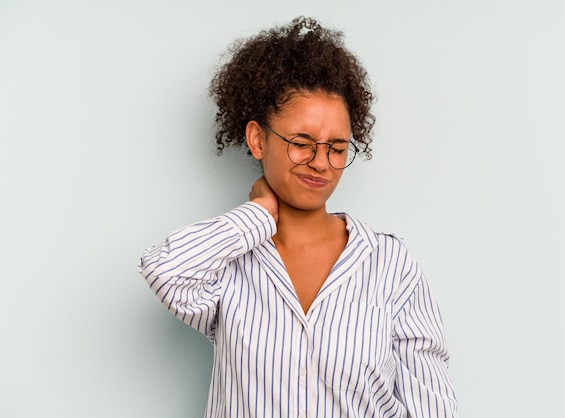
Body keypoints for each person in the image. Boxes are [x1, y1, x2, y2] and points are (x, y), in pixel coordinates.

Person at [139, 16, 458, 418]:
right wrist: (258, 215)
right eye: (301, 143)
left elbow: (431, 408)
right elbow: (166, 270)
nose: (320, 163)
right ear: (258, 139)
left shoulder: (390, 265)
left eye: (337, 148)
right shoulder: (229, 264)